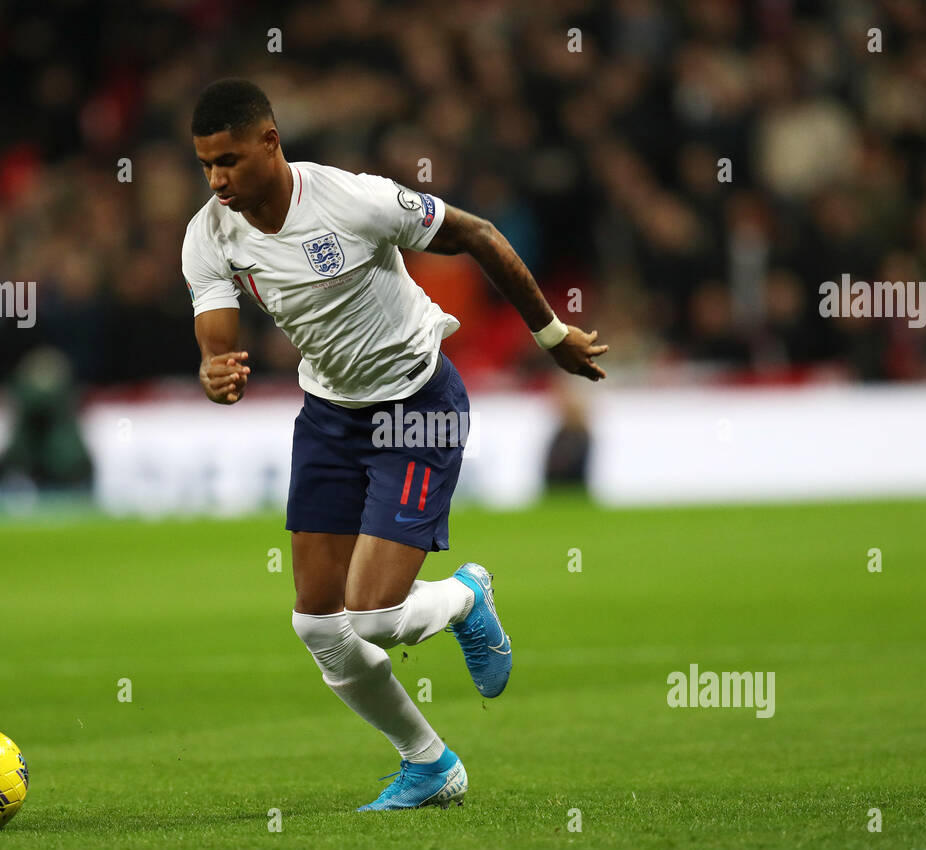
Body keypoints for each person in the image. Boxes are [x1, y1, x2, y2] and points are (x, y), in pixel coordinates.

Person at [182, 78, 608, 810]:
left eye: (228, 160)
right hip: (328, 417)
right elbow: (216, 335)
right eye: (205, 166)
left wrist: (550, 335)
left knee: (373, 614)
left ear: (269, 143)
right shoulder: (210, 233)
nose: (217, 179)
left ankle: (466, 597)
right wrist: (214, 369)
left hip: (416, 405)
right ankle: (429, 764)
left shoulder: (353, 201)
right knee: (318, 625)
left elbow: (477, 235)